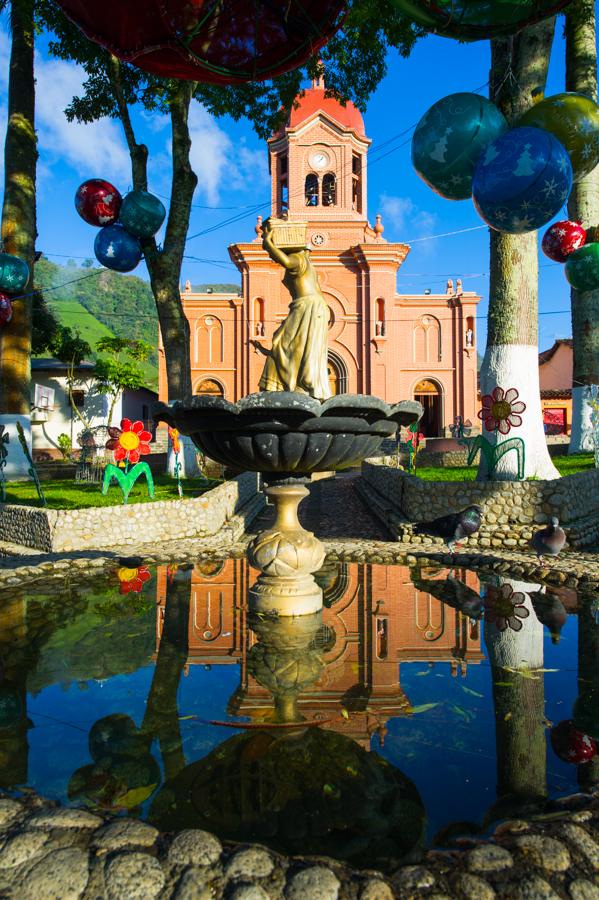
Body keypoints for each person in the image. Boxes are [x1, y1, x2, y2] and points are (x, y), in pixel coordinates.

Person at [252, 218, 331, 400]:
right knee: (290, 344)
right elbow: (280, 259)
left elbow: (286, 261)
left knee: (289, 343)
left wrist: (268, 244)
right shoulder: (304, 262)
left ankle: (304, 384)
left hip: (308, 306)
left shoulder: (298, 258)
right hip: (309, 306)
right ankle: (294, 384)